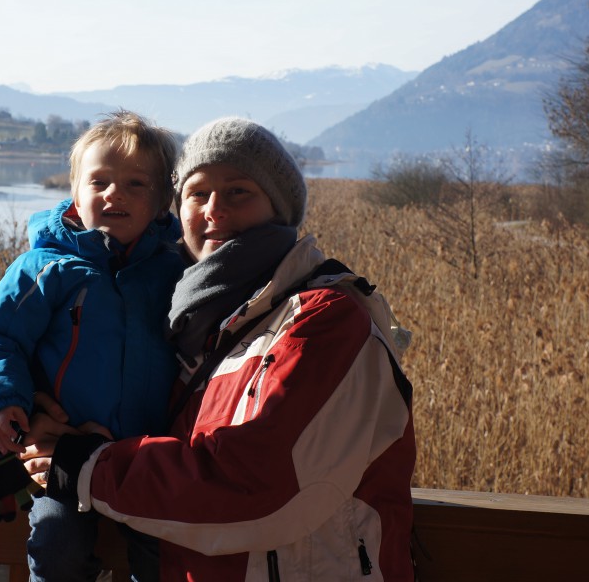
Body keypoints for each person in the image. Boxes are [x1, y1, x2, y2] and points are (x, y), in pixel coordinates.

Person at [28, 117, 417, 581]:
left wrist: (85, 465)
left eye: (237, 192)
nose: (213, 209)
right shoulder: (190, 322)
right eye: (196, 193)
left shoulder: (323, 320)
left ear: (279, 208)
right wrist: (33, 412)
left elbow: (254, 486)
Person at [0, 110, 184, 582]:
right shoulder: (46, 266)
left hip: (146, 459)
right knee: (57, 545)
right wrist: (3, 404)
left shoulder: (176, 273)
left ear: (165, 199)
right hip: (60, 456)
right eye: (98, 181)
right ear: (76, 196)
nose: (114, 194)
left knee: (169, 551)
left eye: (135, 185)